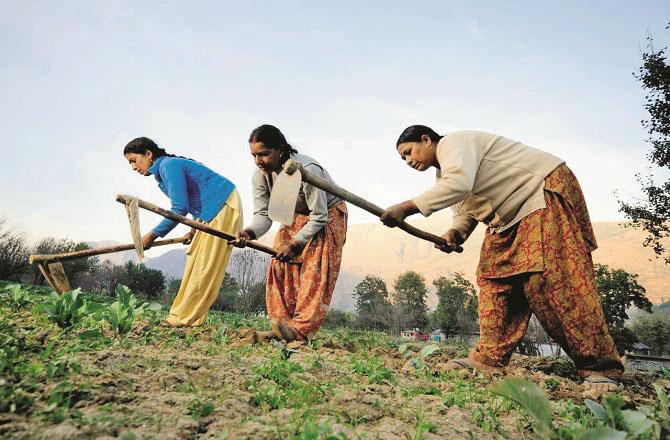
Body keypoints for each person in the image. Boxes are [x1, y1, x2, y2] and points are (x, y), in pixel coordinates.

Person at [380, 125, 624, 391]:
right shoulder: (445, 175)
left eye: (408, 152)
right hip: (506, 219)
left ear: (427, 140)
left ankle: (601, 367)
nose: (408, 161)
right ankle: (489, 358)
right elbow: (464, 210)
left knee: (553, 281)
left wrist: (405, 208)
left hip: (538, 193)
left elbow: (458, 186)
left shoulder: (455, 144)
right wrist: (454, 234)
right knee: (493, 279)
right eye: (403, 158)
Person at [232, 125, 347, 342]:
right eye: (254, 155)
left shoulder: (307, 169)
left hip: (326, 216)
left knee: (314, 272)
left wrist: (296, 244)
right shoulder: (260, 176)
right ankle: (283, 326)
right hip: (293, 215)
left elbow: (319, 216)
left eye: (264, 154)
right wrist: (249, 232)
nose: (258, 160)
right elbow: (264, 215)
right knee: (280, 264)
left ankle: (299, 330)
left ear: (281, 150)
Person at [123, 137, 242, 326]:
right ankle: (187, 316)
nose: (133, 167)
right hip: (209, 211)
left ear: (148, 154)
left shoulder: (168, 166)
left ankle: (182, 318)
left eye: (133, 160)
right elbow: (197, 197)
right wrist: (194, 229)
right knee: (196, 260)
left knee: (204, 265)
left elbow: (179, 207)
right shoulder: (164, 171)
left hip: (222, 205)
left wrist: (152, 235)